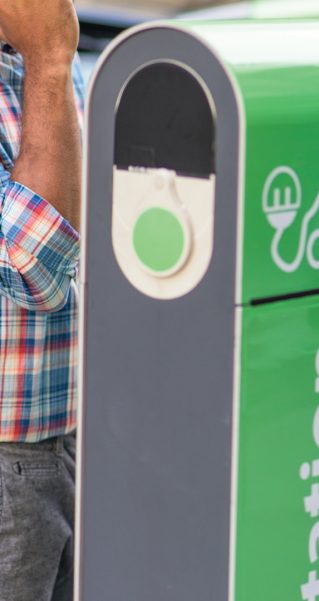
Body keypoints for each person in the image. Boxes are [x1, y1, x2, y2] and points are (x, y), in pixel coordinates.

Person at [0, 1, 84, 599]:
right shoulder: (45, 54)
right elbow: (35, 272)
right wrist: (49, 61)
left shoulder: (32, 56)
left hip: (67, 439)